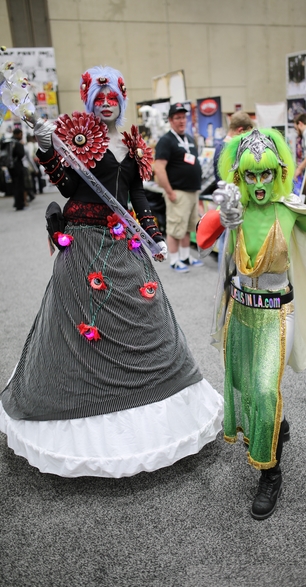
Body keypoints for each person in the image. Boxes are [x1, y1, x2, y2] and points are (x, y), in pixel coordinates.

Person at [0, 66, 224, 478]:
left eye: (112, 100)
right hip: (84, 242)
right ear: (88, 101)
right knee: (82, 328)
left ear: (121, 101)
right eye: (98, 100)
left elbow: (136, 194)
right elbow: (68, 187)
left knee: (146, 320)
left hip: (126, 243)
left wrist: (154, 235)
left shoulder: (132, 140)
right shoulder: (76, 133)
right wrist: (49, 149)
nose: (106, 105)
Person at [196, 128, 306, 520]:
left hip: (277, 312)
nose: (258, 184)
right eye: (249, 175)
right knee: (246, 383)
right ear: (238, 175)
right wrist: (221, 214)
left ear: (278, 172)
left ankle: (271, 474)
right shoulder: (235, 209)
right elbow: (203, 238)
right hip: (240, 311)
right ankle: (281, 423)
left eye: (264, 174)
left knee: (263, 389)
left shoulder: (287, 209)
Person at [154, 102, 204, 273]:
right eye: (177, 118)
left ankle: (185, 256)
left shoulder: (189, 139)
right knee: (175, 228)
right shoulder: (166, 140)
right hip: (177, 192)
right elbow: (159, 168)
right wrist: (169, 191)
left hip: (191, 191)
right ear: (170, 120)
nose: (182, 121)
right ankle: (174, 260)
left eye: (183, 117)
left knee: (188, 227)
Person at [213, 111, 254, 266]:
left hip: (226, 202)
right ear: (240, 130)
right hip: (231, 204)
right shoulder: (230, 149)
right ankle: (225, 283)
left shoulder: (220, 147)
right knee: (228, 245)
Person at [9, 128, 26, 210]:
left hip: (11, 167)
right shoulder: (17, 143)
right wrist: (21, 145)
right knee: (19, 186)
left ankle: (17, 203)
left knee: (15, 186)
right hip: (17, 167)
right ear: (17, 134)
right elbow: (21, 154)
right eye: (21, 134)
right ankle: (20, 204)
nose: (21, 136)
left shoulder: (9, 142)